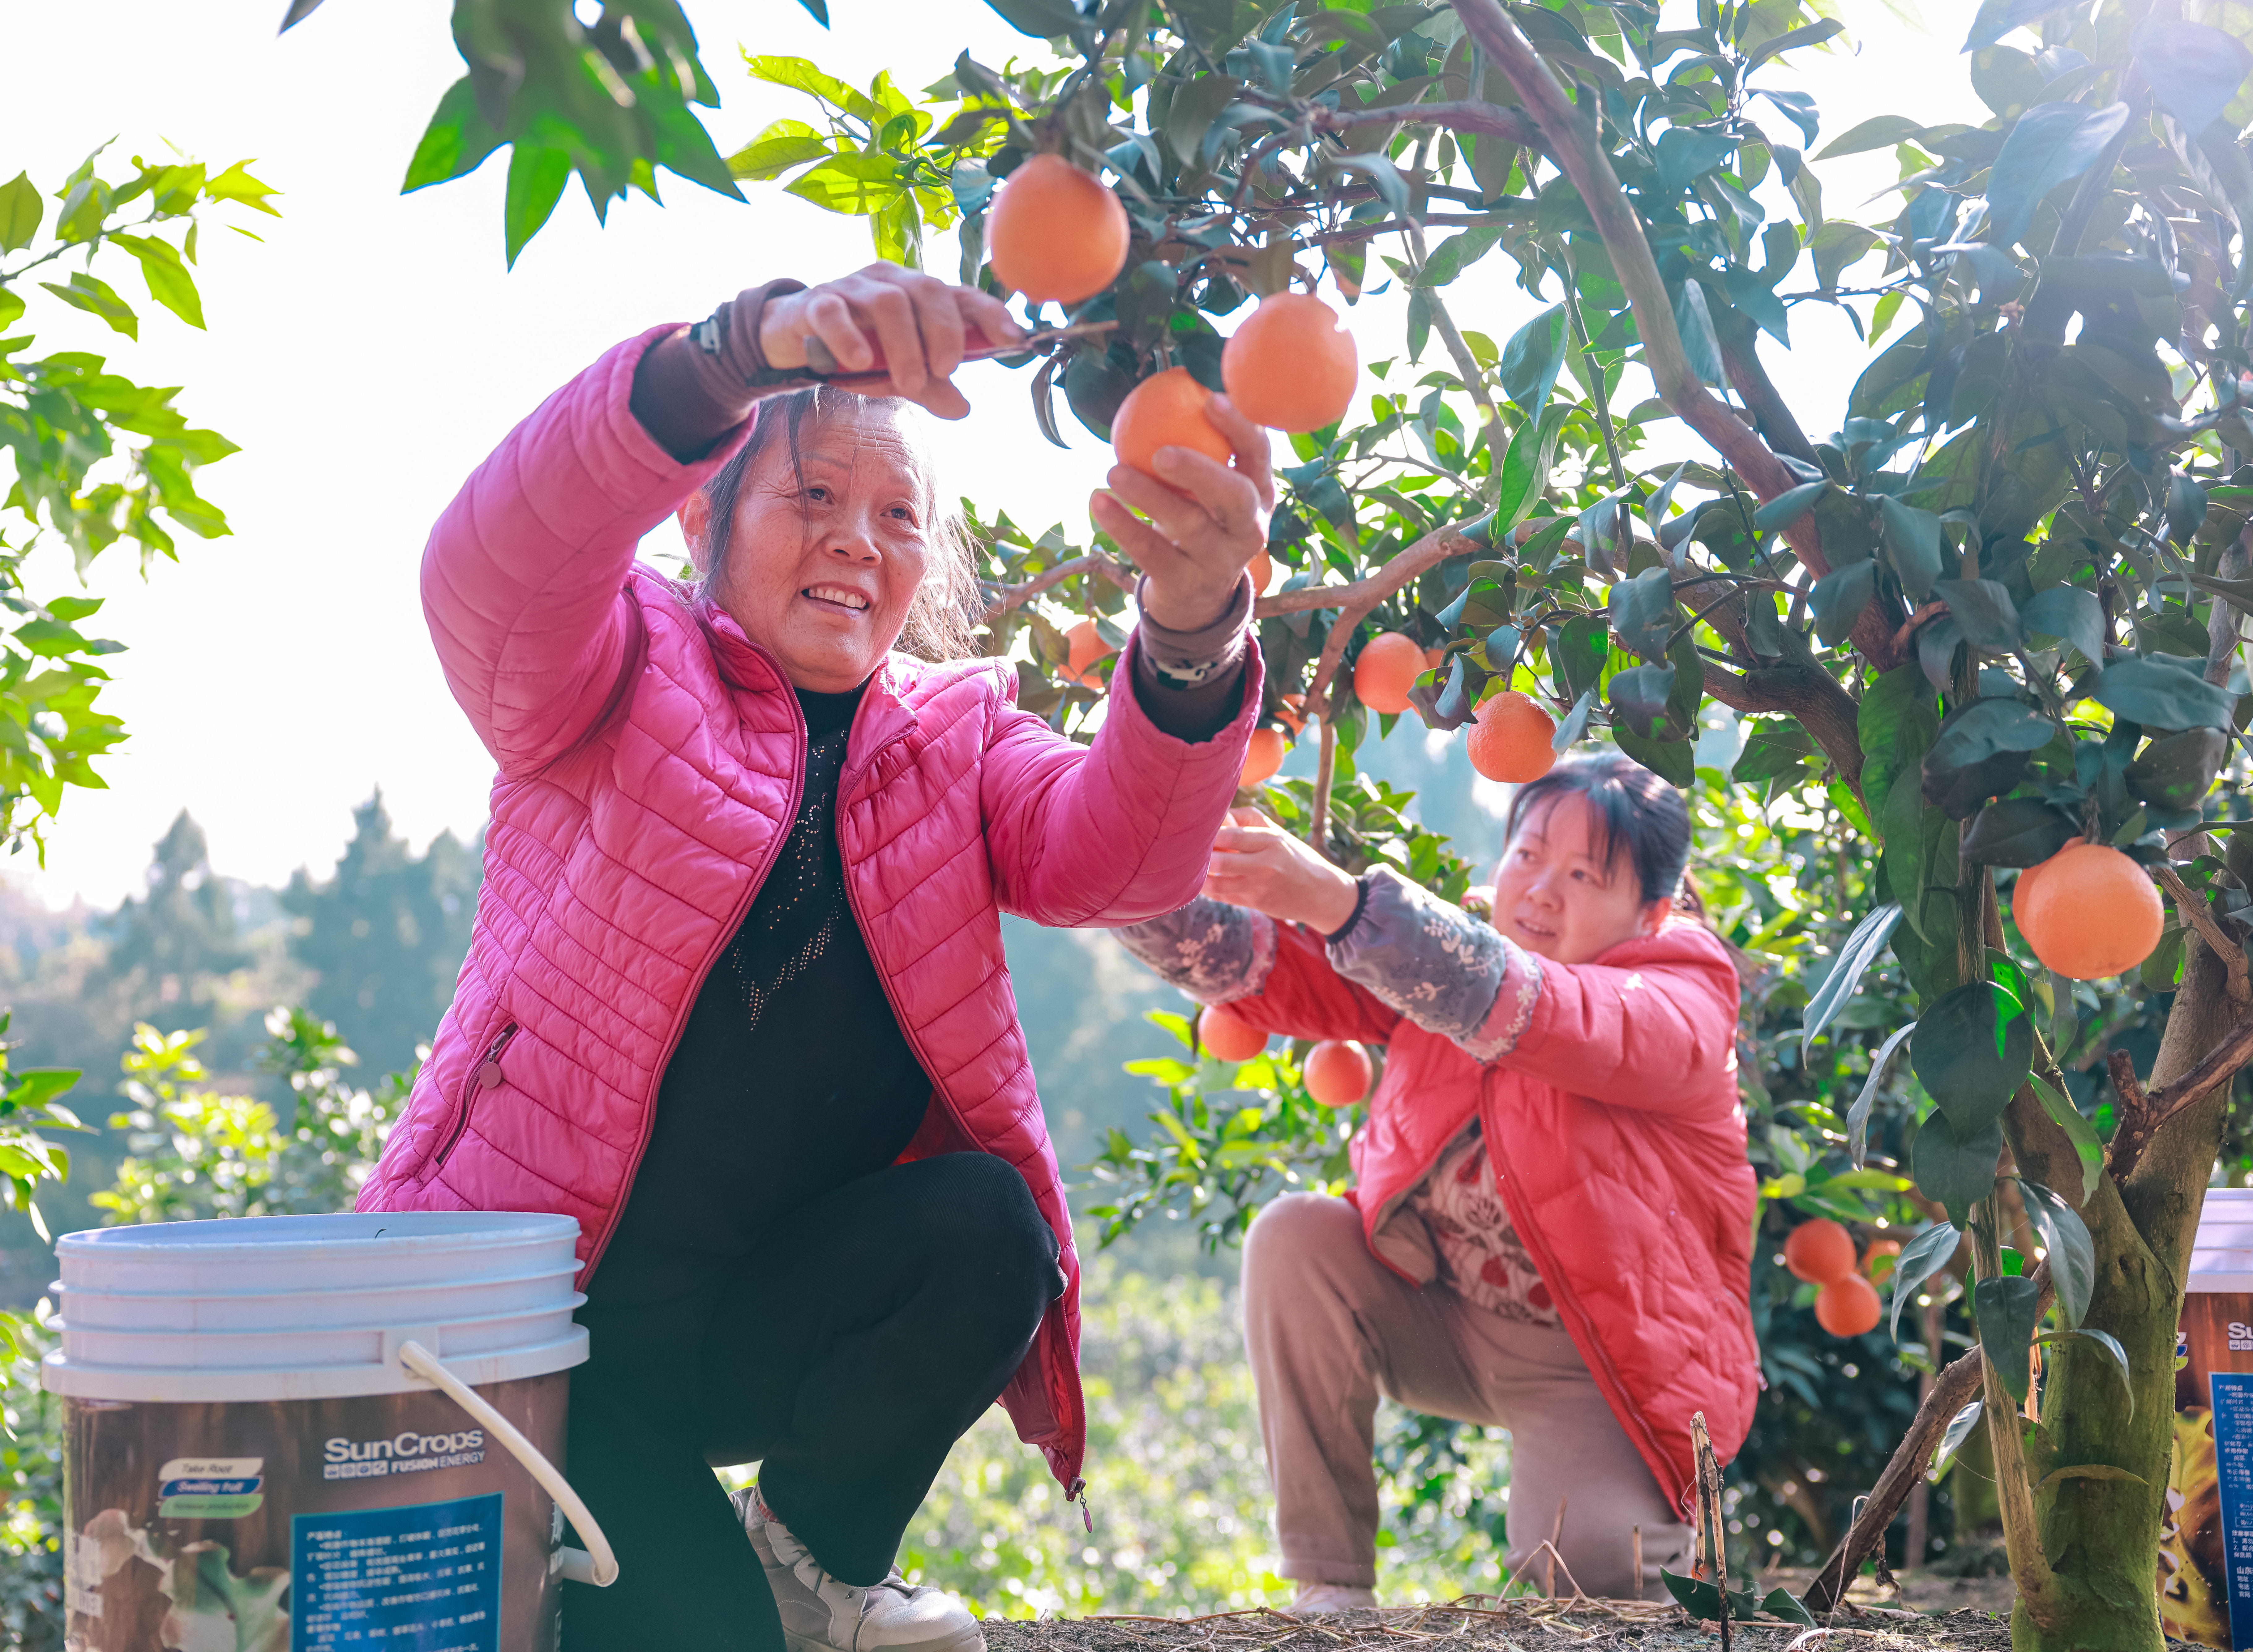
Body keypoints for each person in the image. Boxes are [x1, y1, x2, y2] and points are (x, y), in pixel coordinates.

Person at [358, 261, 1274, 1652]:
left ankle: (807, 1557)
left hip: (746, 1323)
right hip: (538, 1344)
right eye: (813, 495)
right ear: (704, 515)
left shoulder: (956, 736)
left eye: (898, 515)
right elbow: (491, 573)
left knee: (991, 1229)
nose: (858, 539)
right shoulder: (616, 668)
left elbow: (1119, 859)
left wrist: (1195, 636)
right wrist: (724, 360)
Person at [1112, 753, 1757, 1603]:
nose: (1541, 892)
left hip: (1598, 1364)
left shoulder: (1685, 995)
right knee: (1296, 1238)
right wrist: (1121, 862)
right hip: (1444, 1314)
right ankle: (1331, 1592)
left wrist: (1345, 904)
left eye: (1583, 876)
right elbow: (1266, 971)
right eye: (1528, 856)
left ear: (1653, 911)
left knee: (1593, 1570)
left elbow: (1552, 1012)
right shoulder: (1451, 953)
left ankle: (1666, 1547)